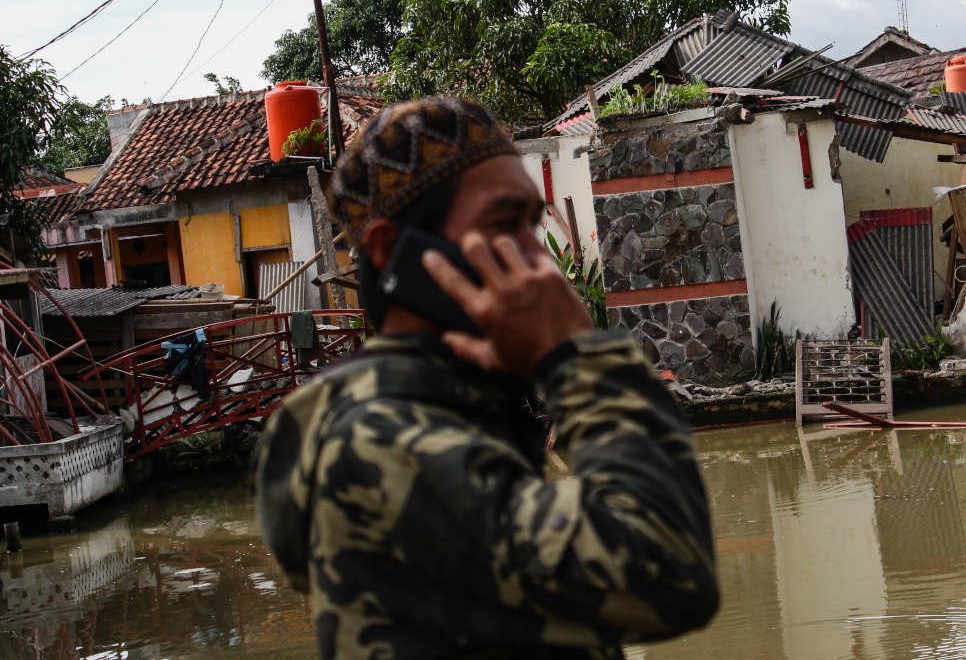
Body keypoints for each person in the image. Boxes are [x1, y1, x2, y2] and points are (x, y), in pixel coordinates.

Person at [254, 98, 719, 660]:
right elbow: (667, 570)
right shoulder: (372, 436)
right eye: (503, 226)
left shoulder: (460, 403)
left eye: (532, 225)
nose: (538, 263)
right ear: (393, 250)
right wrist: (575, 356)